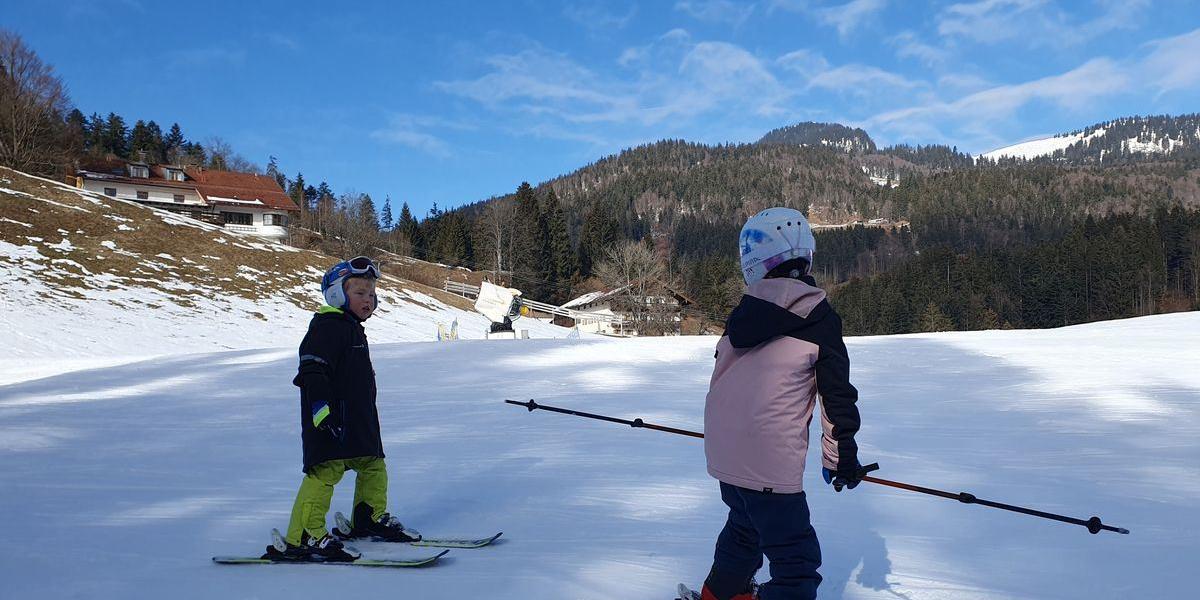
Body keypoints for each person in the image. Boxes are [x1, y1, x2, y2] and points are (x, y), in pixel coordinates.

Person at [697, 208, 873, 600]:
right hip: (768, 463)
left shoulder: (741, 316)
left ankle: (719, 595)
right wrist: (841, 458)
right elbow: (836, 397)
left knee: (744, 529)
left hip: (725, 456)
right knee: (797, 565)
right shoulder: (819, 319)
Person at [278, 256, 419, 561]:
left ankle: (368, 518)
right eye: (359, 293)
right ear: (336, 295)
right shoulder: (327, 327)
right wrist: (321, 412)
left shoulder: (351, 328)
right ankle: (304, 535)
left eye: (372, 293)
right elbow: (312, 371)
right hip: (330, 420)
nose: (368, 299)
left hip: (358, 421)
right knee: (325, 472)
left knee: (373, 464)